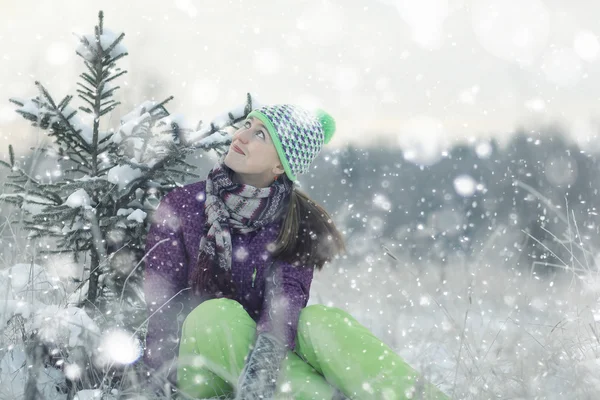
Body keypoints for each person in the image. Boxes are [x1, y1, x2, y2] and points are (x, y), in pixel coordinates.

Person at [142, 104, 449, 399]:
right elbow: (161, 306)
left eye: (260, 135)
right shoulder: (182, 205)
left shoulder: (295, 220)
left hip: (261, 368)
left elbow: (286, 301)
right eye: (247, 125)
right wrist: (157, 390)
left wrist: (261, 373)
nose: (241, 136)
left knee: (320, 319)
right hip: (195, 367)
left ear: (280, 165)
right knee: (213, 314)